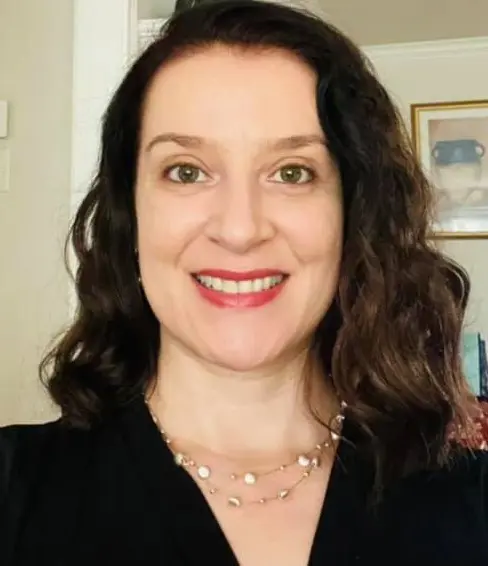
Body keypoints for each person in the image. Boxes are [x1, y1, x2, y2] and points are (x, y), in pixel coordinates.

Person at [1, 1, 487, 564]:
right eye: (186, 171)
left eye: (292, 172)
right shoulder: (14, 491)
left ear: (353, 216)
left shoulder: (469, 503)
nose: (240, 229)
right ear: (130, 216)